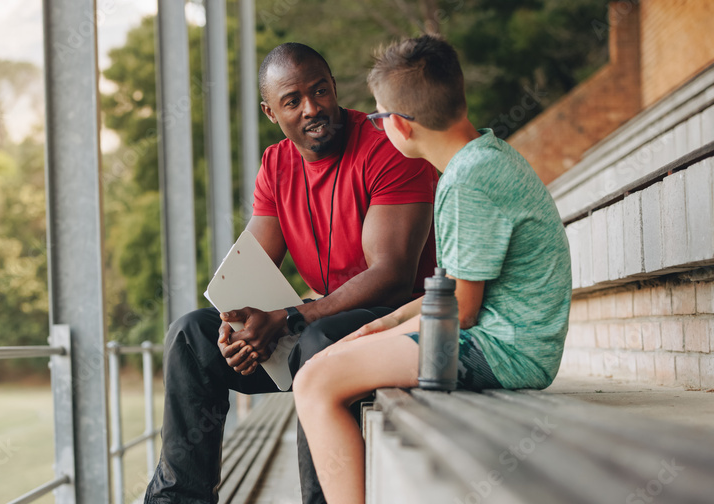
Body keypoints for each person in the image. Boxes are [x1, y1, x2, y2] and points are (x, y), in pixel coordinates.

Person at [144, 42, 440, 504]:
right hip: (320, 323)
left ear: (334, 88)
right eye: (293, 100)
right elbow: (249, 275)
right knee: (190, 337)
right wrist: (234, 328)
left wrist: (289, 317)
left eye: (320, 91)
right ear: (270, 112)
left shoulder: (386, 146)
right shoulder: (276, 165)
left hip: (400, 325)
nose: (312, 108)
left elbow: (393, 277)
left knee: (317, 344)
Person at [292, 34, 573, 504]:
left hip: (505, 351)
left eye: (380, 118)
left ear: (400, 125)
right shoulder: (481, 157)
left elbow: (460, 312)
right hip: (501, 340)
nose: (379, 128)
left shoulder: (469, 181)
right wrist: (378, 327)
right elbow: (452, 293)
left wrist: (360, 344)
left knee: (314, 382)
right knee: (326, 362)